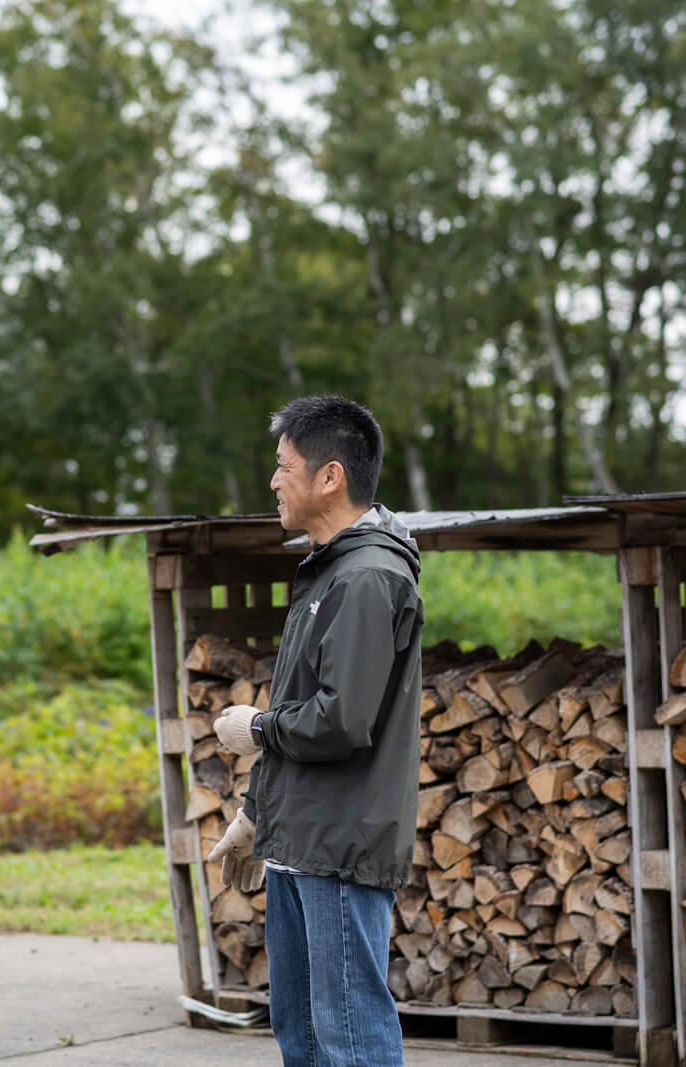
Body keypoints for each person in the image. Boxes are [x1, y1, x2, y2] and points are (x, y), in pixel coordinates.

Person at [206, 395, 423, 1067]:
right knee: (303, 1038)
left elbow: (339, 720)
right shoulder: (328, 571)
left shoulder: (366, 577)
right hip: (301, 840)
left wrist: (256, 727)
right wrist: (255, 814)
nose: (273, 480)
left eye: (283, 465)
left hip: (340, 847)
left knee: (351, 1042)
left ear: (329, 476)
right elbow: (310, 706)